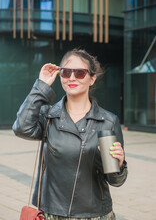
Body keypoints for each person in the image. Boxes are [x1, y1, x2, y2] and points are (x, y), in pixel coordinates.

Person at [13, 49, 127, 220]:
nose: (72, 78)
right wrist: (41, 85)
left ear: (92, 79)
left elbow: (114, 180)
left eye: (80, 73)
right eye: (66, 72)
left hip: (94, 214)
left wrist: (119, 165)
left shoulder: (108, 121)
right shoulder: (48, 116)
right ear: (60, 76)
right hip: (51, 213)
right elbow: (21, 127)